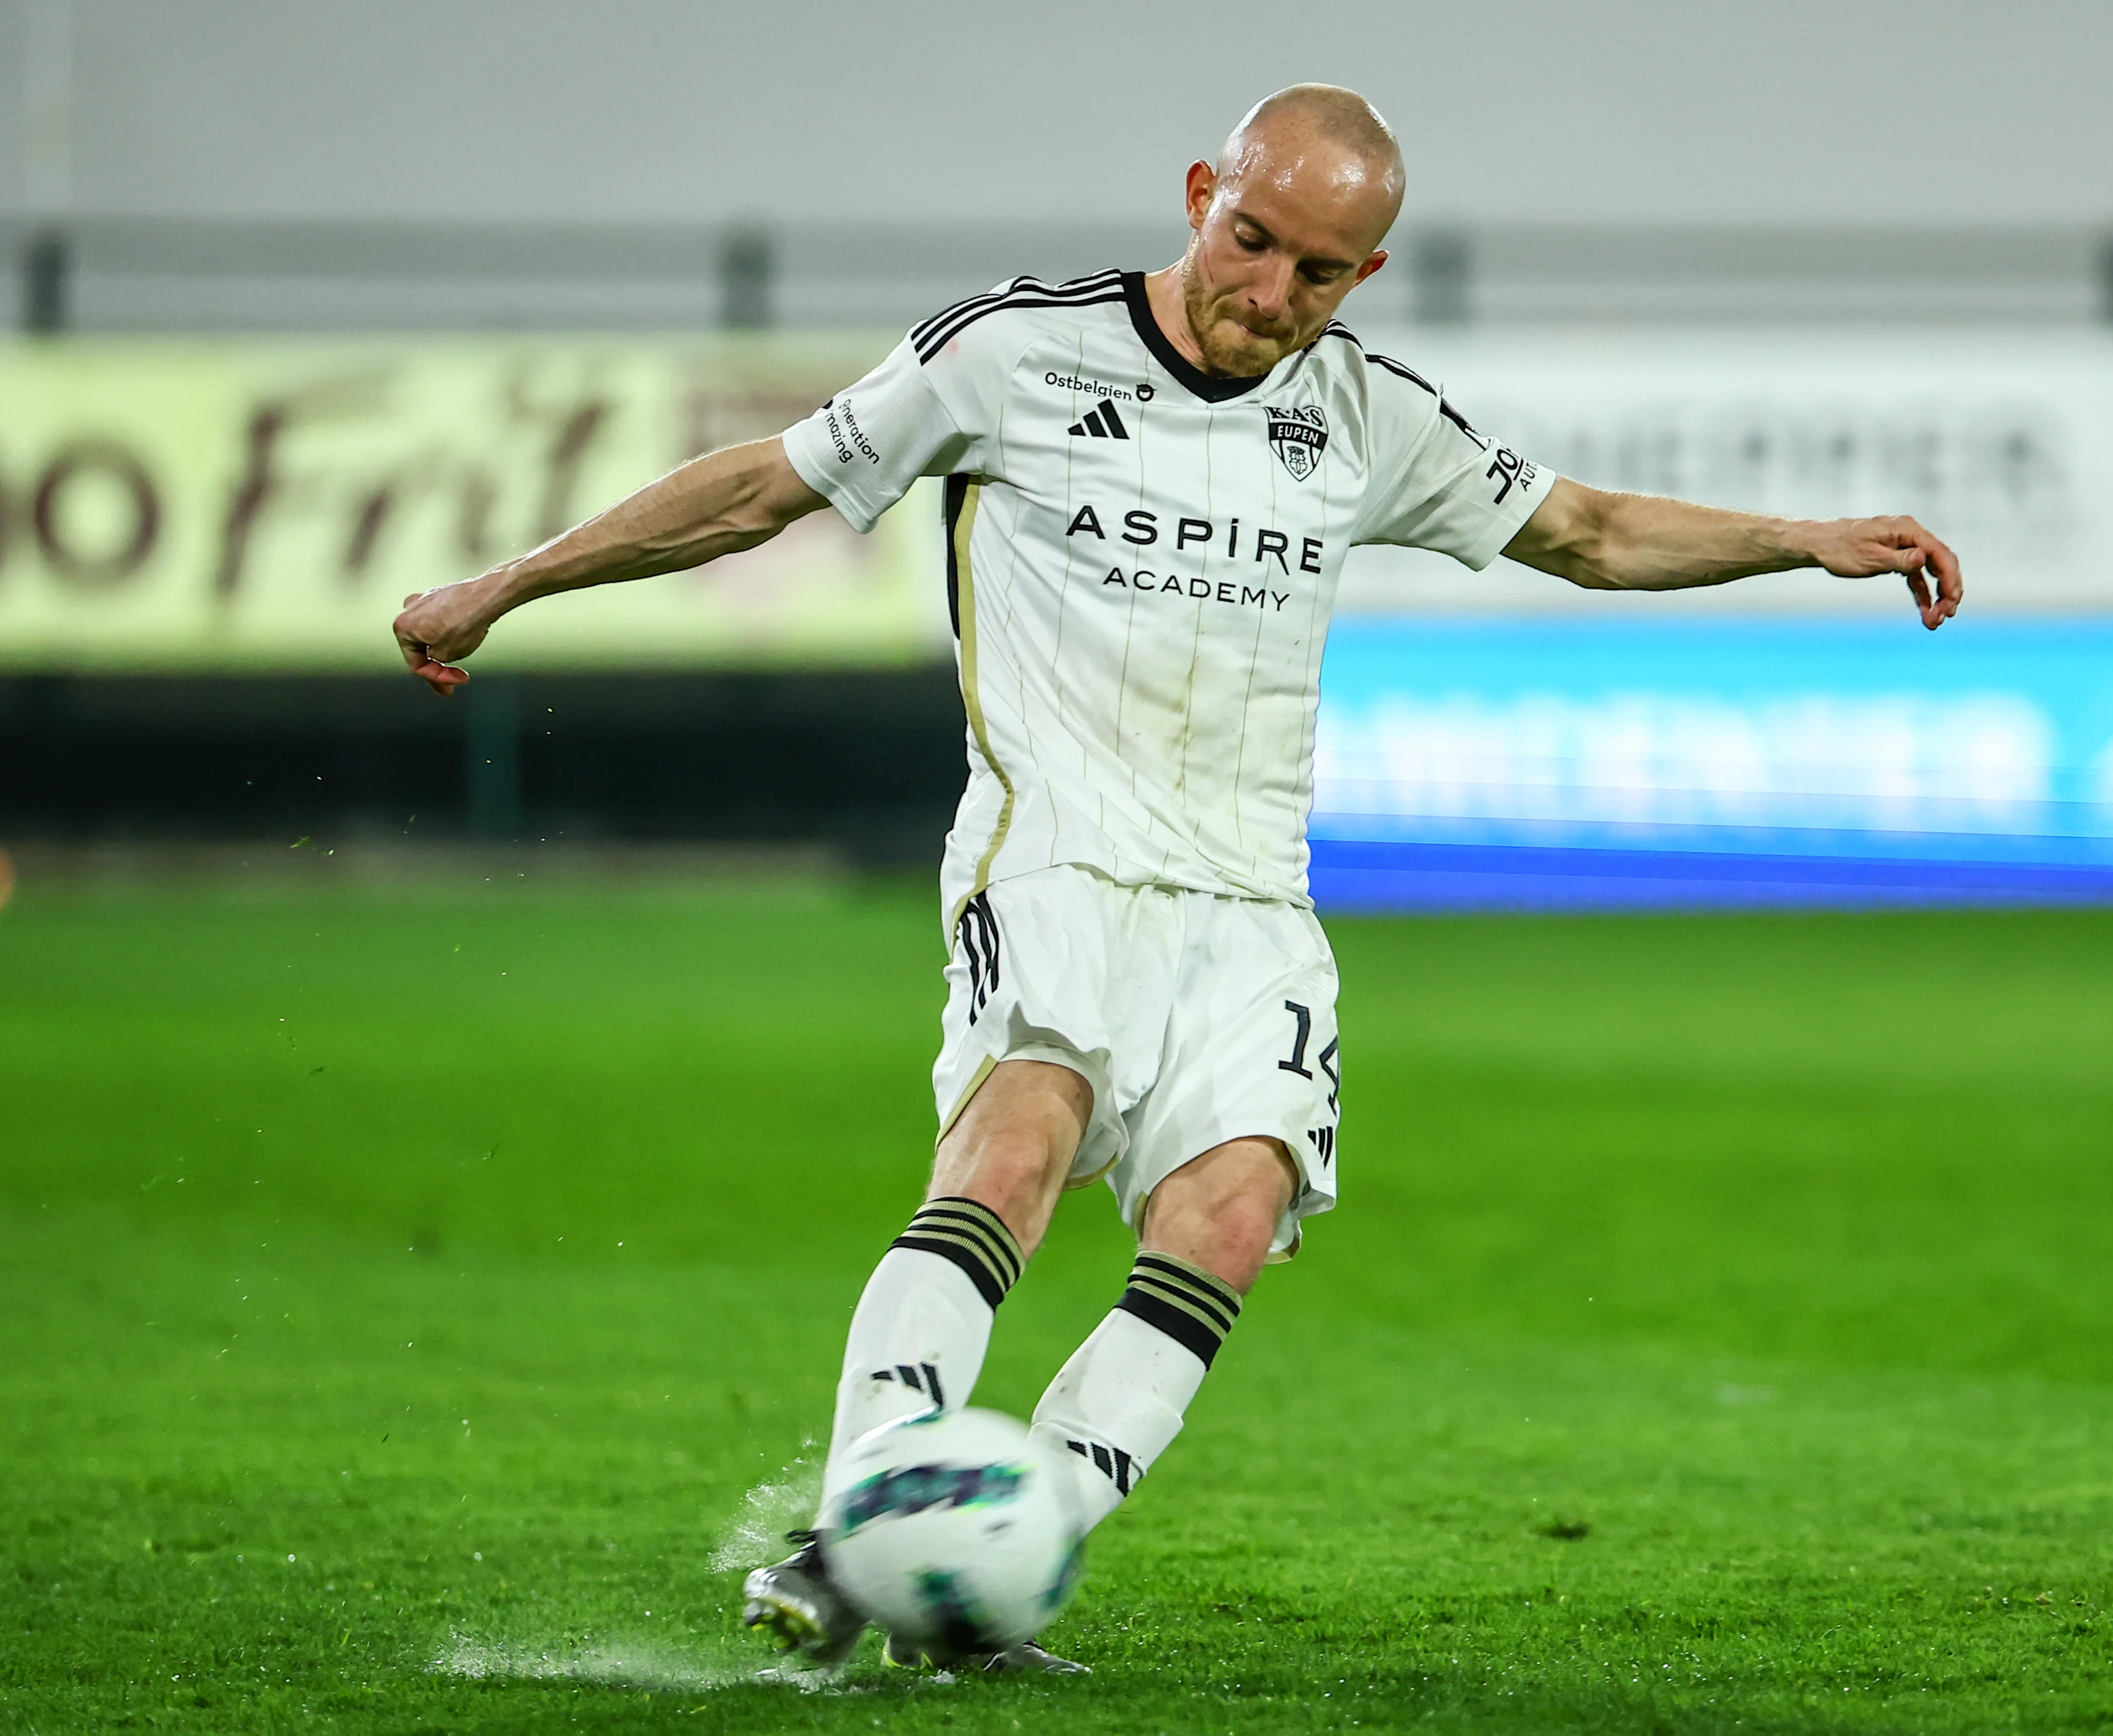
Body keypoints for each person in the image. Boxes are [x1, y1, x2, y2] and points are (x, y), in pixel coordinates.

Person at [389, 82, 1961, 1677]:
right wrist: (508, 584)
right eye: (1252, 239)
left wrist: (1802, 539)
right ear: (1204, 190)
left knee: (1232, 1210)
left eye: (1321, 272)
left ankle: (983, 1564)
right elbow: (759, 487)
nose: (1270, 294)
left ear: (1370, 273)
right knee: (1016, 1145)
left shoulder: (1364, 417)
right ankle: (864, 1522)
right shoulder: (1011, 351)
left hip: (1249, 900)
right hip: (1057, 847)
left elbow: (1594, 531)